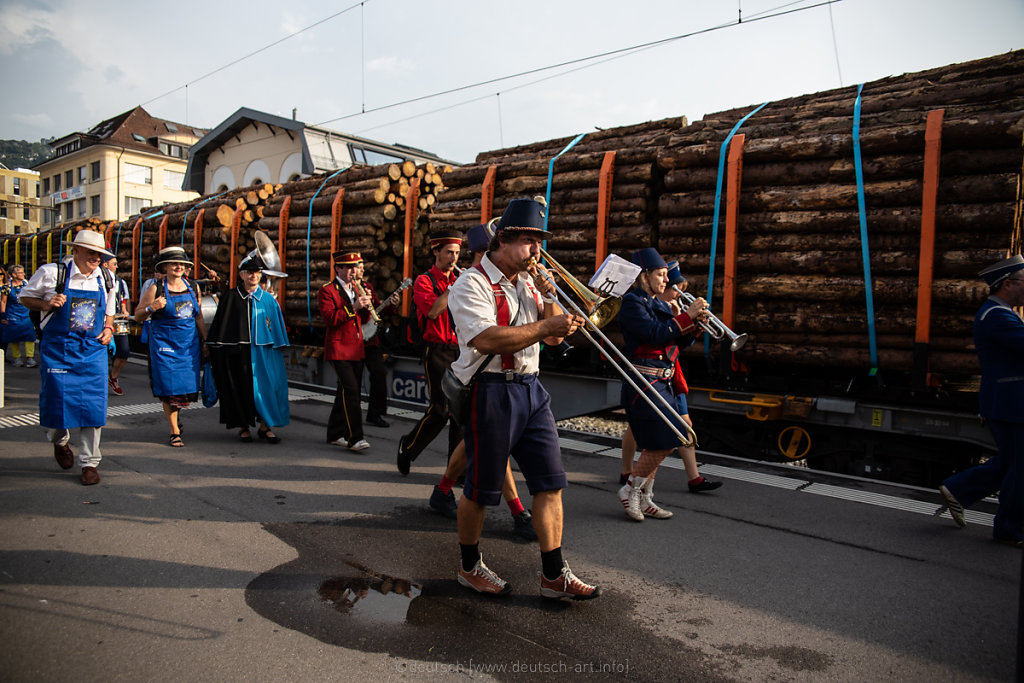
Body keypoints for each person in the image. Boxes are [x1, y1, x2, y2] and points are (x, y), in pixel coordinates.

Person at [447, 197, 599, 600]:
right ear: (505, 240)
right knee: (480, 490)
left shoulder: (528, 281)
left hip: (532, 388)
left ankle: (554, 574)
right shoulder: (470, 284)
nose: (537, 252)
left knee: (550, 483)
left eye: (539, 243)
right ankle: (469, 565)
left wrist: (551, 303)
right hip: (491, 390)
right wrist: (547, 322)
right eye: (531, 242)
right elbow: (486, 339)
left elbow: (549, 338)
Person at [428, 223, 537, 541]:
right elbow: (436, 313)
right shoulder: (467, 283)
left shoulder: (514, 282)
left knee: (473, 441)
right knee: (489, 444)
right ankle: (517, 511)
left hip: (499, 375)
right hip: (472, 374)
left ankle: (443, 490)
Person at [615, 248, 709, 522]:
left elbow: (675, 342)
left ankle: (645, 497)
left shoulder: (656, 302)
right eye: (661, 274)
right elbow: (656, 334)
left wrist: (695, 325)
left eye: (666, 274)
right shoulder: (633, 302)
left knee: (662, 441)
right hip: (645, 381)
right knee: (667, 439)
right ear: (644, 276)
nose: (666, 280)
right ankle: (630, 489)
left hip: (662, 381)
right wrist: (685, 318)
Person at [18, 230, 117, 485]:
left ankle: (89, 463)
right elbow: (24, 296)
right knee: (56, 401)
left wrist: (108, 329)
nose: (97, 257)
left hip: (92, 349)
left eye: (100, 254)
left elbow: (109, 311)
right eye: (92, 252)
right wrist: (46, 304)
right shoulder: (53, 273)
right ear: (76, 250)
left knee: (93, 405)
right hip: (59, 348)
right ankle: (60, 441)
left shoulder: (106, 277)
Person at [939, 254, 1024, 547]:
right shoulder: (996, 316)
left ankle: (959, 489)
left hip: (1011, 401)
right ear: (1008, 284)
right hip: (1010, 402)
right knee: (1020, 465)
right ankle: (1009, 529)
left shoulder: (1004, 314)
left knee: (1016, 462)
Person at [396, 230, 463, 476]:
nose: (454, 258)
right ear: (436, 252)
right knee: (440, 410)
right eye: (449, 253)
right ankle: (409, 446)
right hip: (438, 350)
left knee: (461, 413)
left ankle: (456, 470)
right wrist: (454, 288)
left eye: (457, 253)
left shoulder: (459, 278)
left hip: (461, 350)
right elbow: (433, 312)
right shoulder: (424, 281)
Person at [207, 251, 290, 443]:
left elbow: (276, 328)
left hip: (264, 351)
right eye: (249, 272)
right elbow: (222, 326)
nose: (253, 275)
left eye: (257, 272)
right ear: (241, 274)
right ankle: (243, 427)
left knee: (268, 387)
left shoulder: (269, 300)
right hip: (239, 351)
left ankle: (265, 427)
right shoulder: (231, 297)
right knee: (240, 387)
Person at [134, 246, 207, 448]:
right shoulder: (155, 288)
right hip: (164, 347)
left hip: (188, 346)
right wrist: (151, 308)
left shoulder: (193, 287)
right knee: (168, 388)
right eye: (174, 263)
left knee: (183, 389)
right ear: (164, 266)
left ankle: (175, 419)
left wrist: (205, 340)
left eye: (182, 264)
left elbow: (198, 316)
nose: (178, 267)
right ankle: (174, 430)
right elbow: (138, 315)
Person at [320, 251, 372, 452]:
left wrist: (367, 307)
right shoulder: (327, 291)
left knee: (346, 390)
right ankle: (355, 437)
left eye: (354, 267)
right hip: (338, 347)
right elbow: (330, 319)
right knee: (351, 392)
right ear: (338, 269)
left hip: (356, 347)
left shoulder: (358, 288)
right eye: (348, 267)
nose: (353, 271)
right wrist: (354, 307)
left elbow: (364, 319)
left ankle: (334, 433)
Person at [353, 260, 400, 428]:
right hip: (355, 339)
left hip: (371, 340)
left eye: (362, 268)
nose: (361, 270)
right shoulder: (348, 290)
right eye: (359, 267)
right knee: (355, 379)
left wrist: (392, 306)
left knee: (380, 373)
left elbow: (377, 308)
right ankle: (353, 414)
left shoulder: (368, 287)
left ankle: (376, 413)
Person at [2, 264, 38, 368]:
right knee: (14, 337)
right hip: (13, 314)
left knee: (30, 336)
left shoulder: (26, 284)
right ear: (13, 274)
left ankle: (30, 358)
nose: (23, 274)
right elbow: (3, 302)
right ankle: (17, 358)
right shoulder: (7, 286)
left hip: (26, 314)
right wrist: (3, 315)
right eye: (21, 272)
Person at [104, 256, 131, 395]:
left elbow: (122, 301)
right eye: (114, 264)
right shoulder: (98, 280)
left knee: (124, 352)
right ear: (105, 265)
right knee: (102, 353)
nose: (117, 266)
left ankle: (113, 377)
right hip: (102, 321)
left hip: (118, 320)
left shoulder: (121, 282)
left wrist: (124, 310)